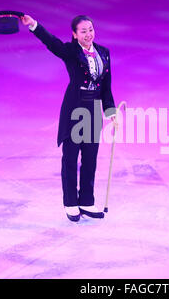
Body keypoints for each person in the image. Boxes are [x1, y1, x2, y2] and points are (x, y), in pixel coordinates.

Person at [21, 14, 118, 222]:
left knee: (90, 158)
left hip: (93, 110)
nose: (88, 34)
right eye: (83, 31)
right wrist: (34, 26)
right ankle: (71, 203)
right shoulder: (71, 52)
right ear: (74, 34)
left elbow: (106, 87)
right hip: (75, 109)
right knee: (71, 158)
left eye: (90, 30)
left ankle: (86, 201)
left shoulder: (104, 53)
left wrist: (111, 112)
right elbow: (52, 43)